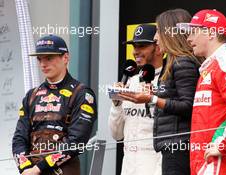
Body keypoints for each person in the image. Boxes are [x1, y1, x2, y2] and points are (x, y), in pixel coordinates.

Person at [119, 9, 203, 175]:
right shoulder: (173, 64)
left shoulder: (182, 62)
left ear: (170, 33)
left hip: (179, 145)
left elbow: (189, 106)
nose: (156, 38)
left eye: (159, 32)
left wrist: (152, 99)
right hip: (171, 145)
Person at [181, 9, 226, 174]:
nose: (189, 38)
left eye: (193, 32)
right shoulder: (209, 67)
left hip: (218, 163)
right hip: (203, 162)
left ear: (210, 33)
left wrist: (223, 144)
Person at [12, 34, 97, 175]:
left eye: (49, 58)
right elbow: (19, 138)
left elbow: (77, 141)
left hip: (63, 170)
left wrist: (39, 168)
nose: (43, 64)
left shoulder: (81, 93)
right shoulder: (31, 95)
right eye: (40, 59)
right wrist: (25, 168)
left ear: (65, 58)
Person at [108, 24, 163, 175]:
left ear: (158, 48)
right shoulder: (130, 82)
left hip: (156, 166)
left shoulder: (168, 81)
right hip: (128, 167)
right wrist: (116, 104)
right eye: (134, 46)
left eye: (142, 46)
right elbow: (116, 134)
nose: (135, 52)